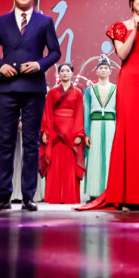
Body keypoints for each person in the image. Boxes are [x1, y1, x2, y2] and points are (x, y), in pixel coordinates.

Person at [79, 0, 139, 211]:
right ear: (131, 3)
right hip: (129, 84)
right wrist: (135, 30)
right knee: (127, 136)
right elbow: (122, 54)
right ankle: (126, 197)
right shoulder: (120, 27)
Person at [0, 0, 62, 212]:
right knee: (6, 142)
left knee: (30, 143)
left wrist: (39, 64)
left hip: (34, 89)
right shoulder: (1, 21)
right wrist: (0, 66)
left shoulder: (44, 21)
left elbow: (55, 52)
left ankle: (28, 196)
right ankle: (4, 195)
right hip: (7, 88)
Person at [40, 63, 86, 204]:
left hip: (71, 132)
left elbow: (79, 113)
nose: (65, 73)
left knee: (70, 166)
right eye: (62, 71)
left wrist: (79, 134)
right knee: (54, 164)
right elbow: (47, 112)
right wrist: (45, 131)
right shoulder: (52, 93)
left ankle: (69, 197)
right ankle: (53, 197)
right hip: (54, 132)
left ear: (72, 73)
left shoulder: (78, 93)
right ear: (58, 74)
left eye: (67, 71)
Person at [81, 56, 117, 202]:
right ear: (96, 71)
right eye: (101, 68)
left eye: (106, 68)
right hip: (94, 125)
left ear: (110, 71)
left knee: (110, 158)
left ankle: (110, 191)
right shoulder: (89, 90)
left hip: (111, 125)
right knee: (93, 159)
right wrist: (86, 133)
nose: (103, 70)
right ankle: (93, 192)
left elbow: (120, 112)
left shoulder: (116, 89)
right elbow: (85, 112)